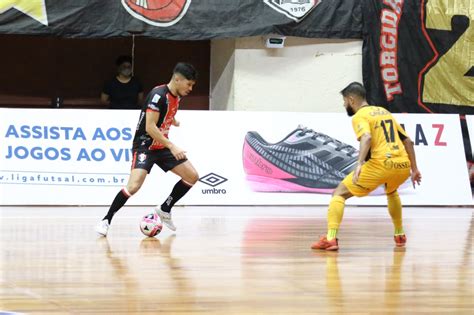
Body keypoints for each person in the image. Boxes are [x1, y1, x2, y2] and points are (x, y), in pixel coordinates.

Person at [311, 82, 422, 251]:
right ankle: (399, 234)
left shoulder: (359, 116)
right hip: (402, 165)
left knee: (339, 193)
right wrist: (414, 169)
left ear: (351, 99)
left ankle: (331, 238)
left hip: (381, 164)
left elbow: (367, 137)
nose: (344, 105)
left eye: (344, 101)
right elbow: (408, 141)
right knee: (391, 192)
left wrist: (359, 164)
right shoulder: (384, 112)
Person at [95, 62, 199, 236]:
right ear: (178, 79)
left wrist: (172, 121)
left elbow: (165, 113)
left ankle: (165, 209)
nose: (190, 89)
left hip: (161, 145)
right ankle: (106, 220)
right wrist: (172, 146)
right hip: (145, 145)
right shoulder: (158, 95)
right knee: (134, 186)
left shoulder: (177, 96)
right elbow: (150, 127)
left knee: (192, 176)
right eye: (188, 84)